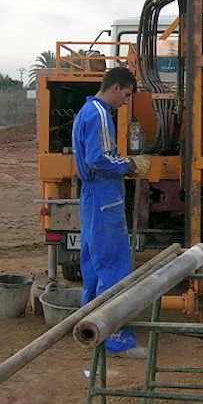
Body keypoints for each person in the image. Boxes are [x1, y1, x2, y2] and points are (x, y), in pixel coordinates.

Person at [71, 66, 146, 358]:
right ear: (116, 88)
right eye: (126, 95)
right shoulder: (101, 114)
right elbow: (99, 160)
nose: (125, 102)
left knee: (92, 262)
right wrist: (129, 165)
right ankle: (112, 333)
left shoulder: (85, 111)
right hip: (105, 196)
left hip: (91, 197)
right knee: (114, 263)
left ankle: (88, 322)